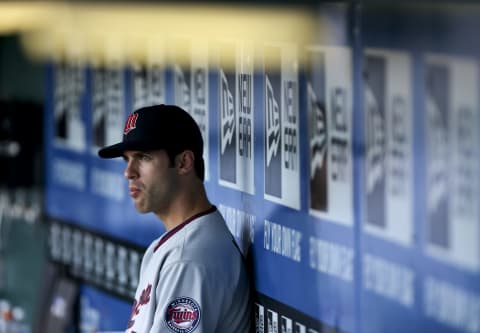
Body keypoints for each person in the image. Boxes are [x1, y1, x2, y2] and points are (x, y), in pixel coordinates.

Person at [98, 104, 252, 333]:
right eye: (126, 159)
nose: (128, 172)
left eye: (143, 157)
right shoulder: (179, 244)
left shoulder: (189, 258)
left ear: (183, 163)